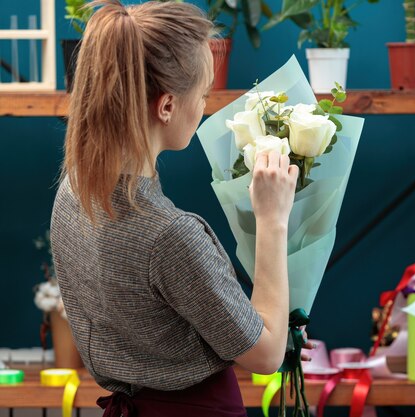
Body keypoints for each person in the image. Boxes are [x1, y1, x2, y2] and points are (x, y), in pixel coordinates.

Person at [50, 1, 307, 415]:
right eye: (203, 94)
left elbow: (162, 329)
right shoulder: (169, 235)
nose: (204, 106)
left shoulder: (73, 191)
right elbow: (265, 355)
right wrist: (272, 219)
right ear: (166, 105)